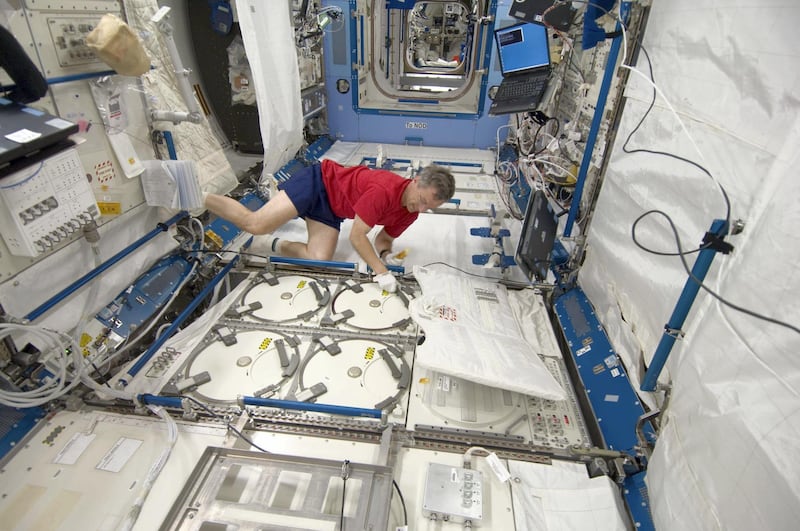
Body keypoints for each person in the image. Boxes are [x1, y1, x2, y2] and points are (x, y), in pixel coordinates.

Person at [203, 159, 456, 292]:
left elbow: (384, 239)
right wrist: (381, 271)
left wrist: (386, 255)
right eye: (422, 201)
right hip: (318, 183)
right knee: (255, 223)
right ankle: (197, 196)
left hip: (331, 209)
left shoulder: (411, 211)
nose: (421, 210)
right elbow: (358, 237)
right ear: (414, 182)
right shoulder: (385, 191)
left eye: (429, 208)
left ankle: (270, 243)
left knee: (318, 258)